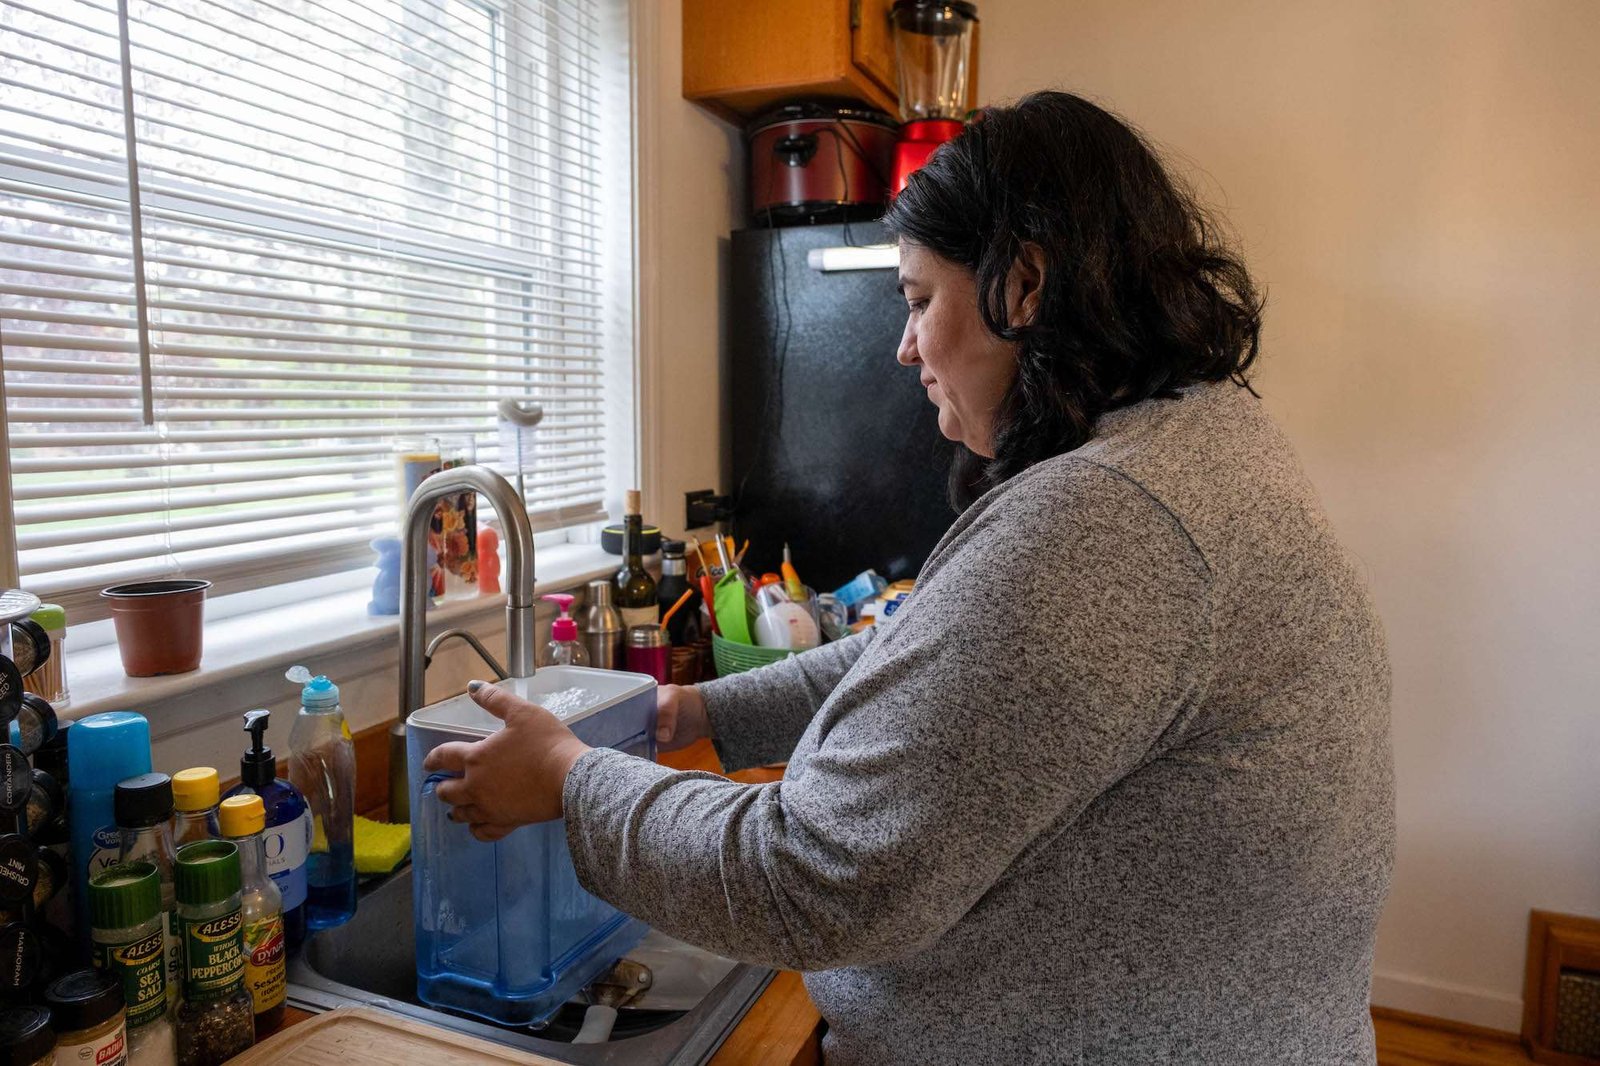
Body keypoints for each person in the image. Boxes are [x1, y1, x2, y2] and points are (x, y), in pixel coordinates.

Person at [425, 91, 1394, 1065]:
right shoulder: (1189, 436)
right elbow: (923, 654)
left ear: (1024, 285)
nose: (903, 348)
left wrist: (566, 779)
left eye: (921, 300)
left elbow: (816, 881)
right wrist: (704, 712)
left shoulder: (1107, 519)